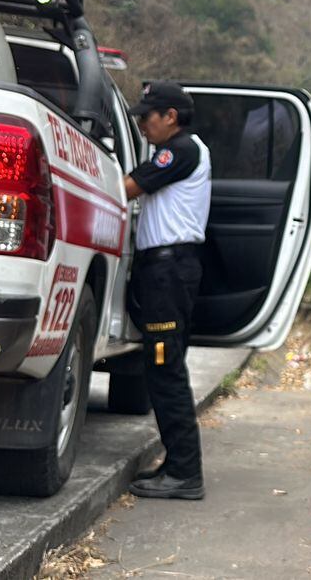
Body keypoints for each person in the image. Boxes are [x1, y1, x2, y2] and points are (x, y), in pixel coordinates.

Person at [122, 81, 212, 500]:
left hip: (169, 272)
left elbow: (126, 188)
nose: (143, 124)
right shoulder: (182, 150)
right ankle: (177, 464)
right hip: (166, 270)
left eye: (148, 116)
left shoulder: (181, 150)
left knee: (165, 368)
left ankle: (185, 473)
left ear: (171, 116)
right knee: (163, 367)